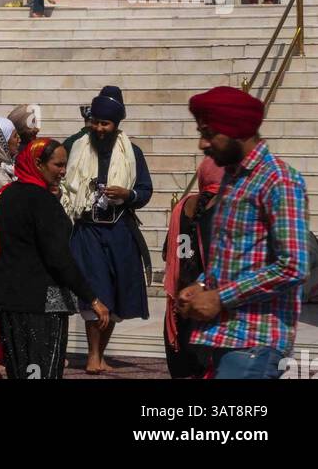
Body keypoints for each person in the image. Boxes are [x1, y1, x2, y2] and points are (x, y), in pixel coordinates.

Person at [179, 86, 309, 380]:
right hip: (228, 336)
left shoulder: (279, 180)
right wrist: (202, 286)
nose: (202, 144)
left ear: (237, 131)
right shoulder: (233, 178)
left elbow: (293, 266)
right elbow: (237, 254)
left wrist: (220, 297)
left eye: (210, 133)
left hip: (255, 342)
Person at [0, 137, 110, 380]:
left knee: (22, 370)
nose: (62, 171)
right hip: (41, 303)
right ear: (38, 163)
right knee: (42, 370)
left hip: (9, 300)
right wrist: (92, 299)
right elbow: (59, 258)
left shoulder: (5, 195)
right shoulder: (43, 201)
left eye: (64, 165)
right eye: (57, 165)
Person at [61, 90, 153, 374]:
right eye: (96, 123)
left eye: (106, 124)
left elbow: (145, 190)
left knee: (114, 293)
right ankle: (91, 354)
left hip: (119, 230)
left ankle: (101, 353)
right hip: (87, 229)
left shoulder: (132, 152)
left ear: (116, 125)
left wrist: (127, 194)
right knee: (94, 290)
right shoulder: (75, 146)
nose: (100, 129)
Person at [163, 155, 224, 378]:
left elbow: (166, 252)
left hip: (180, 305)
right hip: (208, 304)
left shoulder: (182, 205)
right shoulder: (225, 208)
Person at [63, 84, 125, 154]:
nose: (99, 128)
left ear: (115, 125)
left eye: (104, 124)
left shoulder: (129, 152)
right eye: (95, 122)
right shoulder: (73, 145)